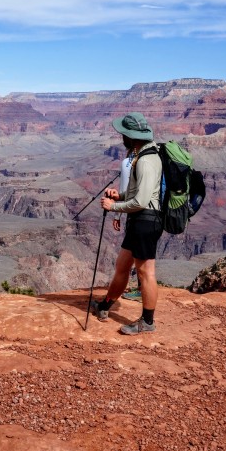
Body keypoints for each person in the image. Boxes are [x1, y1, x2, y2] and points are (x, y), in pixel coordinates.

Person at [90, 112, 163, 334]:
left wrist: (114, 208)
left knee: (145, 272)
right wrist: (118, 196)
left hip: (146, 221)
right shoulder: (141, 155)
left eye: (124, 134)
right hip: (138, 221)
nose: (121, 138)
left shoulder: (147, 161)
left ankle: (147, 322)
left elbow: (141, 201)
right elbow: (136, 193)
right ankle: (105, 306)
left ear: (132, 137)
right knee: (122, 266)